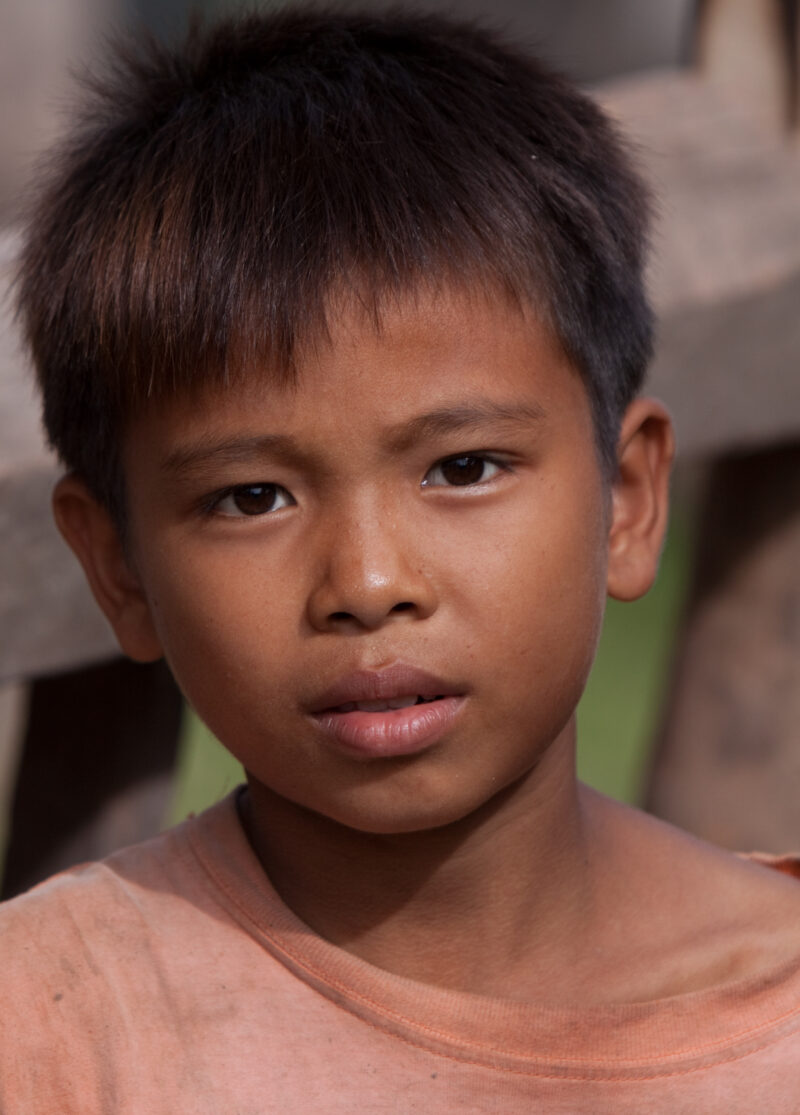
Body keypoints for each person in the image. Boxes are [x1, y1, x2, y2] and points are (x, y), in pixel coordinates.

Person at [4, 8, 800, 1111]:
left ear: (624, 499)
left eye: (463, 468)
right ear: (120, 568)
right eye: (250, 497)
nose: (370, 584)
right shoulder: (54, 1026)